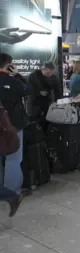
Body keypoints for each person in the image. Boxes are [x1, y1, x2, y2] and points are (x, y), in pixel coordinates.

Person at [0, 52, 32, 215]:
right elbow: (28, 90)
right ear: (9, 65)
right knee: (14, 158)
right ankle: (12, 192)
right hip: (13, 125)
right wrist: (18, 74)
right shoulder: (13, 81)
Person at [26, 62, 59, 130]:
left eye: (52, 73)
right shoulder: (33, 76)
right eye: (48, 73)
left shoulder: (54, 77)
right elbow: (28, 90)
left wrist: (57, 102)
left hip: (46, 104)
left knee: (46, 123)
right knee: (33, 124)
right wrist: (39, 93)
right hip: (34, 104)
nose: (50, 74)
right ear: (44, 69)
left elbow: (57, 90)